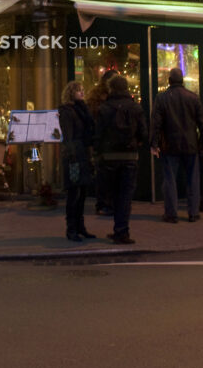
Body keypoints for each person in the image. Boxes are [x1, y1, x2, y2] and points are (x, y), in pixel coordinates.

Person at [150, 68, 203, 223]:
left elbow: (156, 123)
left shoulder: (162, 98)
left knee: (170, 179)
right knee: (193, 178)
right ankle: (193, 212)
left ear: (169, 80)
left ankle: (171, 213)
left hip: (170, 145)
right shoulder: (193, 97)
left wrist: (154, 143)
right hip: (191, 144)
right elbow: (202, 123)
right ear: (182, 80)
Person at [95, 75, 146, 244]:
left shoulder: (104, 108)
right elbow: (143, 133)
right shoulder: (135, 108)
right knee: (125, 196)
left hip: (109, 157)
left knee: (113, 194)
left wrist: (99, 151)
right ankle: (122, 231)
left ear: (111, 88)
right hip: (130, 156)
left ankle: (119, 230)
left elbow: (98, 134)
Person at [58, 81, 96, 242]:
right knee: (74, 193)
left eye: (82, 90)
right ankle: (71, 228)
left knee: (82, 193)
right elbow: (67, 135)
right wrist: (72, 156)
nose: (81, 93)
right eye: (78, 90)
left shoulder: (82, 110)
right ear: (70, 93)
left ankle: (80, 227)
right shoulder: (67, 111)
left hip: (83, 154)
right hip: (74, 156)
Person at [86, 68, 118, 217]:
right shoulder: (107, 100)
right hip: (105, 142)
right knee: (105, 174)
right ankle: (105, 203)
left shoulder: (95, 98)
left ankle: (104, 204)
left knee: (103, 174)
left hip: (101, 142)